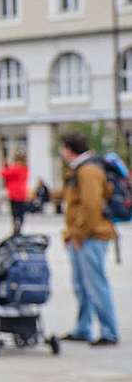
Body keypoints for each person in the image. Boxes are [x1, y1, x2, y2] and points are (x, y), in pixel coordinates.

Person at [57, 130, 119, 347]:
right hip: (80, 236)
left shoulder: (89, 170)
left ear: (69, 149)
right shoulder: (79, 169)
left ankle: (109, 331)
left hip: (91, 237)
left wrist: (78, 234)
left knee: (96, 284)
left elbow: (91, 206)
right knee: (81, 285)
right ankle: (83, 327)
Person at [1, 151, 31, 235]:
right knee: (21, 212)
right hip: (22, 193)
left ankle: (16, 227)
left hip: (14, 193)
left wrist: (5, 166)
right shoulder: (25, 169)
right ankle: (19, 226)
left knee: (14, 212)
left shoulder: (15, 168)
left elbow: (3, 173)